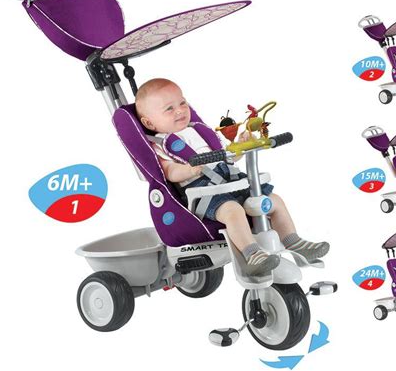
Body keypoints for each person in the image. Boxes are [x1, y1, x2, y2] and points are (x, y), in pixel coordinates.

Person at [135, 78, 329, 276]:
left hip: (232, 181)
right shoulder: (160, 144)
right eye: (169, 108)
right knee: (233, 211)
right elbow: (169, 171)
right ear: (149, 123)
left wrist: (242, 145)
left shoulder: (199, 130)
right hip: (204, 192)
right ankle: (252, 255)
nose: (180, 110)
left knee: (273, 200)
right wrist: (190, 170)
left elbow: (228, 157)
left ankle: (293, 241)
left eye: (182, 103)